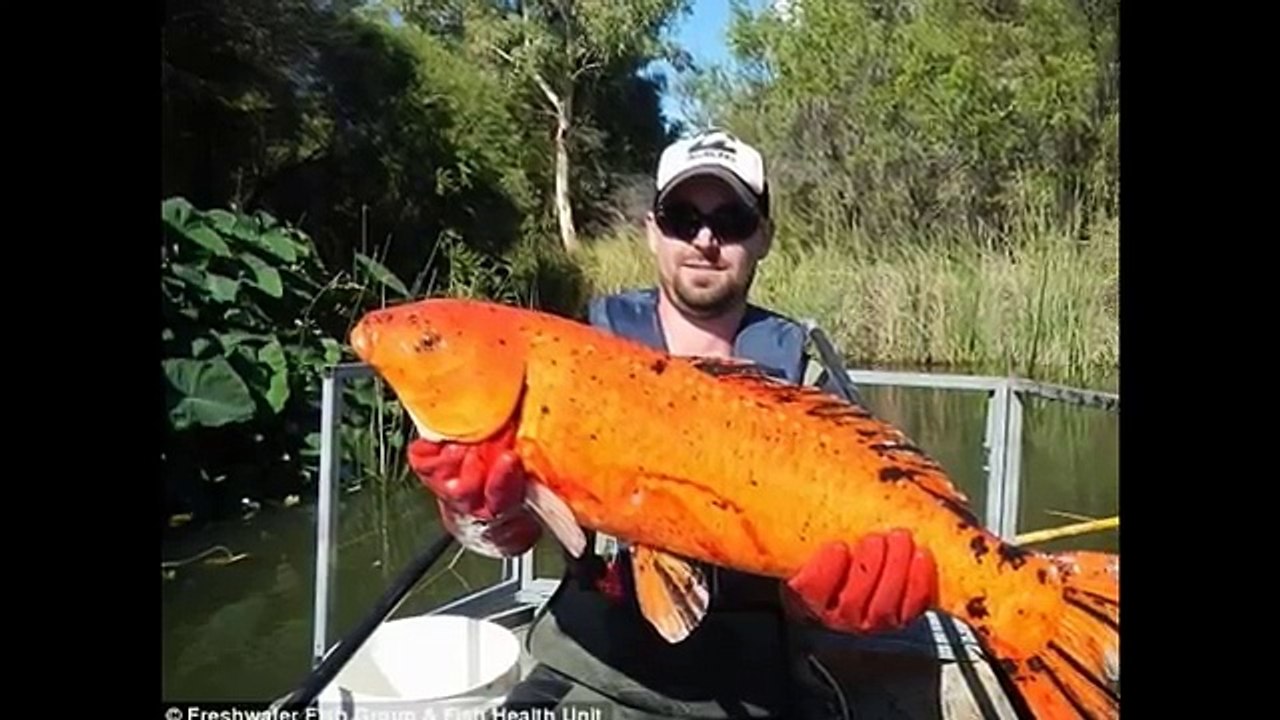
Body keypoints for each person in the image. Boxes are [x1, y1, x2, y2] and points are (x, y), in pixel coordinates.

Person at [406, 129, 939, 719]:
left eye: (732, 220)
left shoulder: (808, 381)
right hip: (591, 666)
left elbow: (842, 591)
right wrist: (474, 513)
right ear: (652, 231)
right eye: (682, 218)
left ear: (763, 236)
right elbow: (509, 530)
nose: (705, 239)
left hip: (758, 687)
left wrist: (840, 604)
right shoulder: (576, 353)